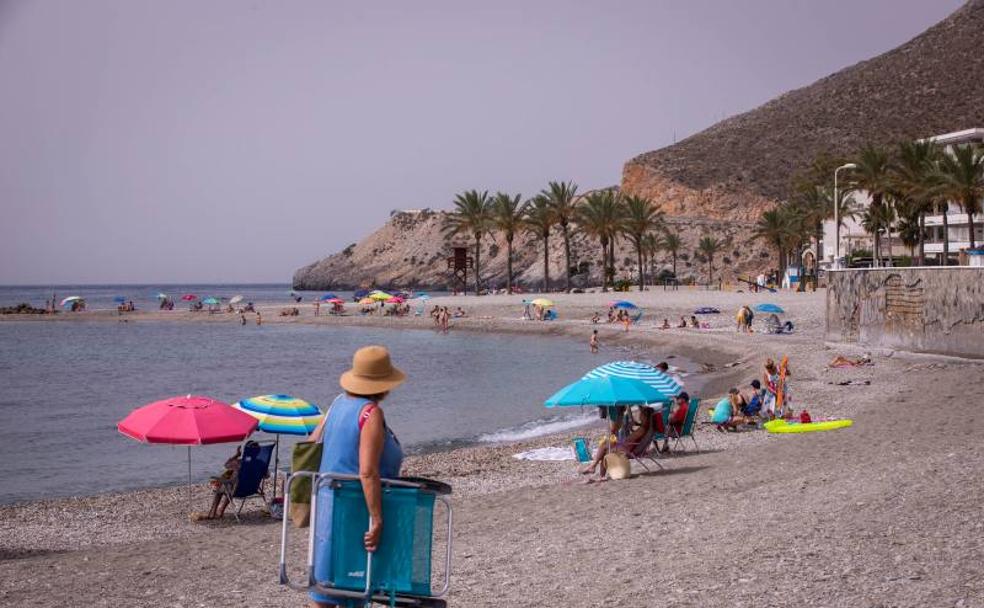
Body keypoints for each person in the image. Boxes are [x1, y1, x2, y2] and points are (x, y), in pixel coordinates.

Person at [307, 346, 406, 607]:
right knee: (353, 586)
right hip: (354, 508)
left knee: (326, 588)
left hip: (329, 502)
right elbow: (367, 471)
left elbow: (311, 444)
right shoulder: (370, 414)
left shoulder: (337, 404)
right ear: (384, 384)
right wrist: (377, 519)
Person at [193, 444, 244, 521]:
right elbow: (266, 476)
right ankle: (221, 510)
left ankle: (213, 513)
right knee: (230, 485)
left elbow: (226, 465)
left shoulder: (239, 462)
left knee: (223, 488)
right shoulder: (261, 462)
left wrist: (236, 455)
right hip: (251, 489)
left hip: (236, 490)